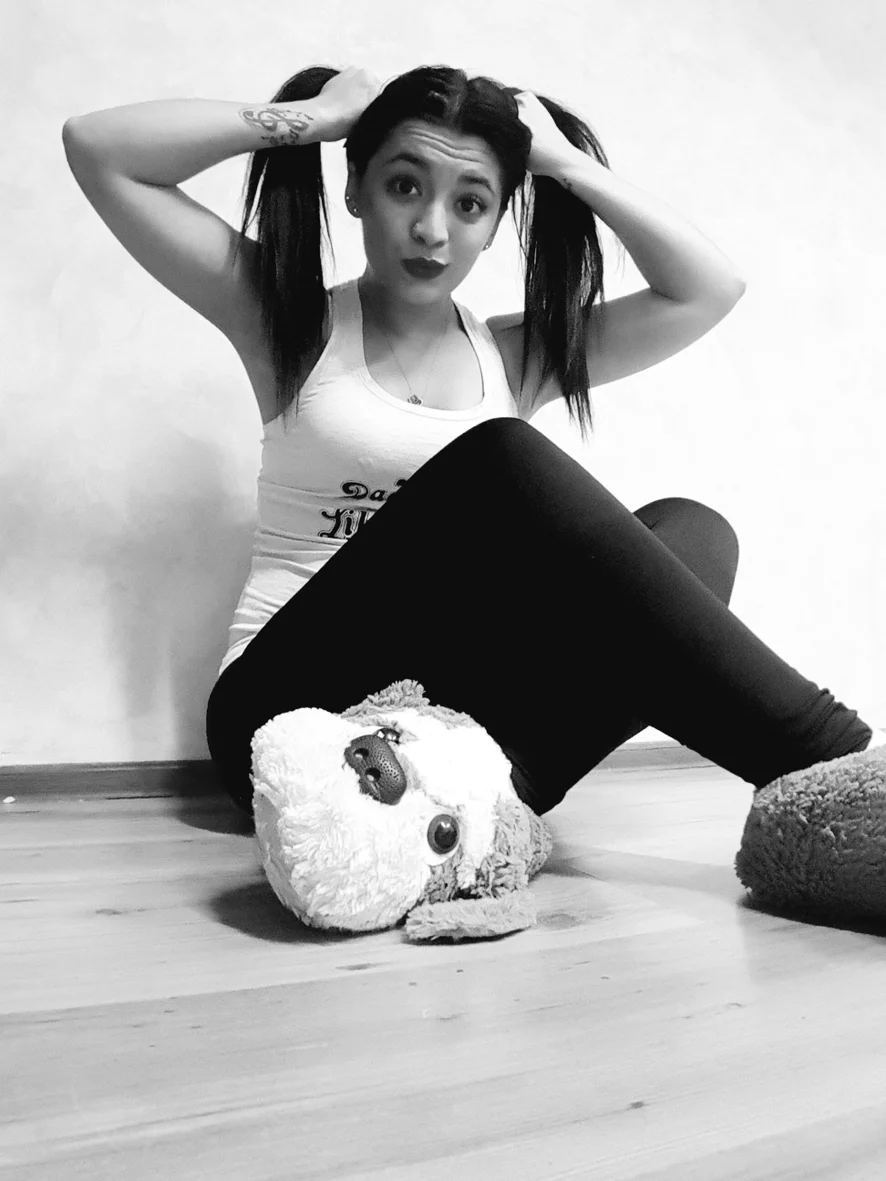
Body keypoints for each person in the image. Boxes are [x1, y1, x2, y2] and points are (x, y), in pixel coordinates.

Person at [63, 64, 885, 821]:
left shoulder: (513, 358)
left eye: (470, 203)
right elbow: (100, 151)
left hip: (443, 727)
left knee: (696, 533)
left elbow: (708, 288)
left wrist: (562, 163)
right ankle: (834, 763)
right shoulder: (288, 322)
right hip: (284, 714)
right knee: (499, 459)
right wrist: (317, 118)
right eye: (404, 185)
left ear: (494, 224)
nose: (431, 228)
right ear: (355, 189)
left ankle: (471, 812)